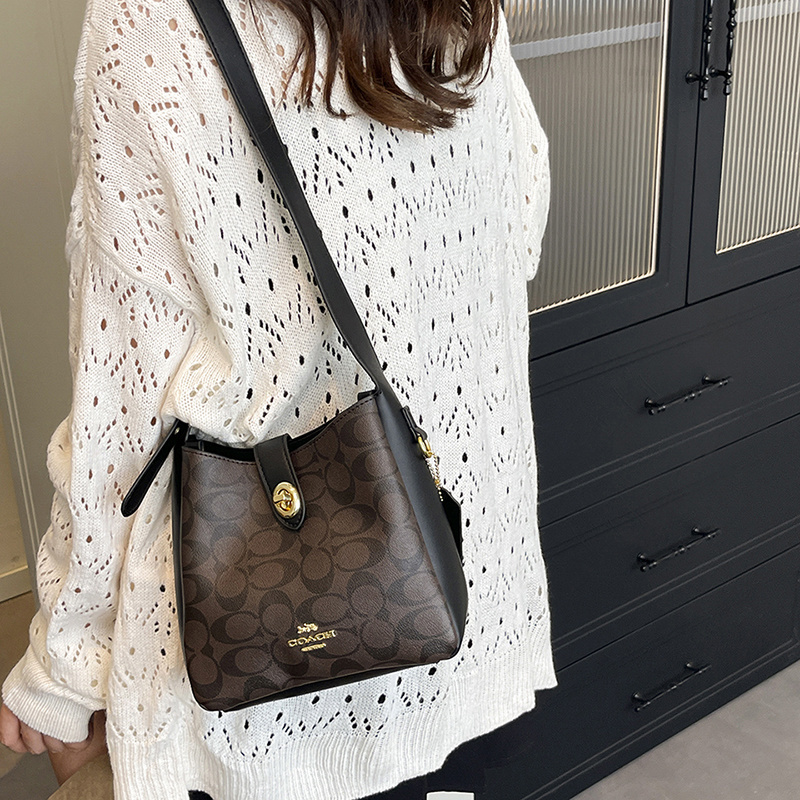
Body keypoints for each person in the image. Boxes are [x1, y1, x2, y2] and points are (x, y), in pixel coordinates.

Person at [0, 0, 556, 798]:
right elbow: (519, 223)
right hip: (456, 598)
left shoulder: (148, 23)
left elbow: (120, 411)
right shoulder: (463, 11)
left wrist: (65, 667)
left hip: (264, 677)